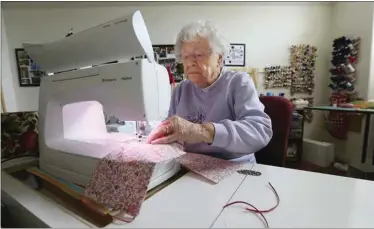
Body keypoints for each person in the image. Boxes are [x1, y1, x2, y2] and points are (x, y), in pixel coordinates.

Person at [147, 20, 273, 163]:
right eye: (185, 56)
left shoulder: (238, 83)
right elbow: (171, 135)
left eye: (198, 55)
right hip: (191, 168)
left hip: (233, 169)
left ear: (219, 58)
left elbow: (259, 131)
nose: (190, 63)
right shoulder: (182, 89)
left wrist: (201, 131)